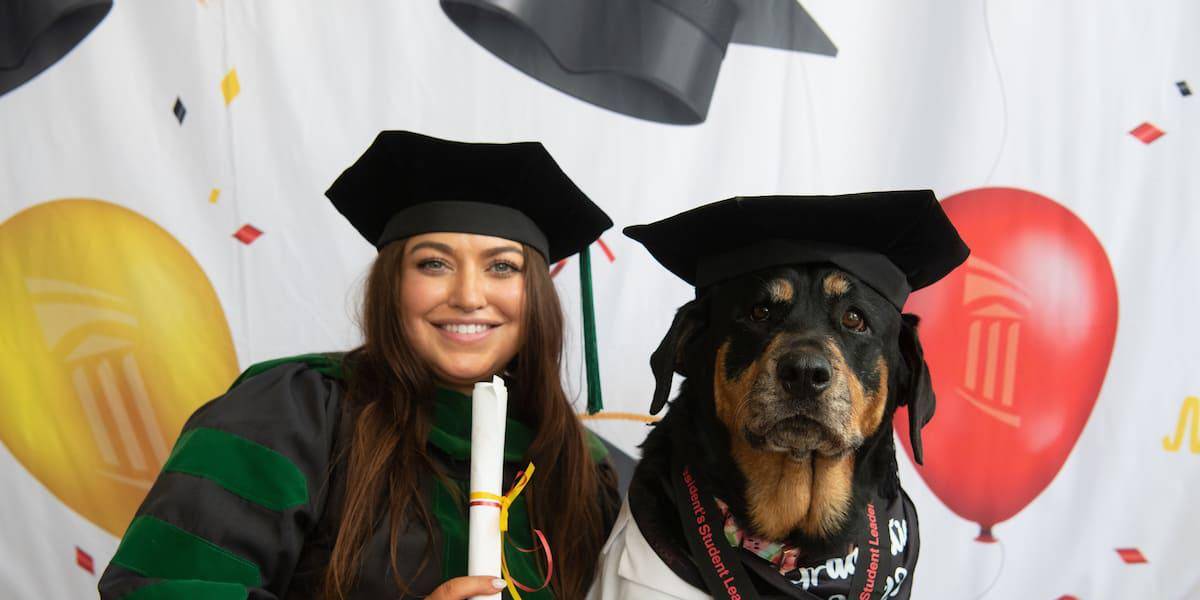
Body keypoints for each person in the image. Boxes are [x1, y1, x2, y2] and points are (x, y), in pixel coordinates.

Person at [98, 131, 621, 600]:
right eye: (434, 263)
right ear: (392, 284)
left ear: (536, 295)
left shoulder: (574, 464)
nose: (468, 295)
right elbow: (158, 592)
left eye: (501, 267)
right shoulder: (292, 413)